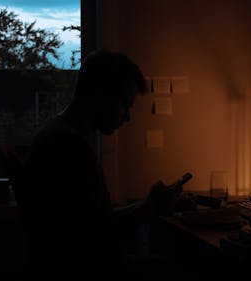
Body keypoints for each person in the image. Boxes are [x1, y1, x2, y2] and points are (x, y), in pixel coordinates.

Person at [19, 49, 184, 280]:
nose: (128, 117)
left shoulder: (58, 133)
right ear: (101, 94)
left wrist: (147, 206)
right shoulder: (69, 147)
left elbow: (92, 220)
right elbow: (92, 236)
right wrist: (147, 210)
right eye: (125, 104)